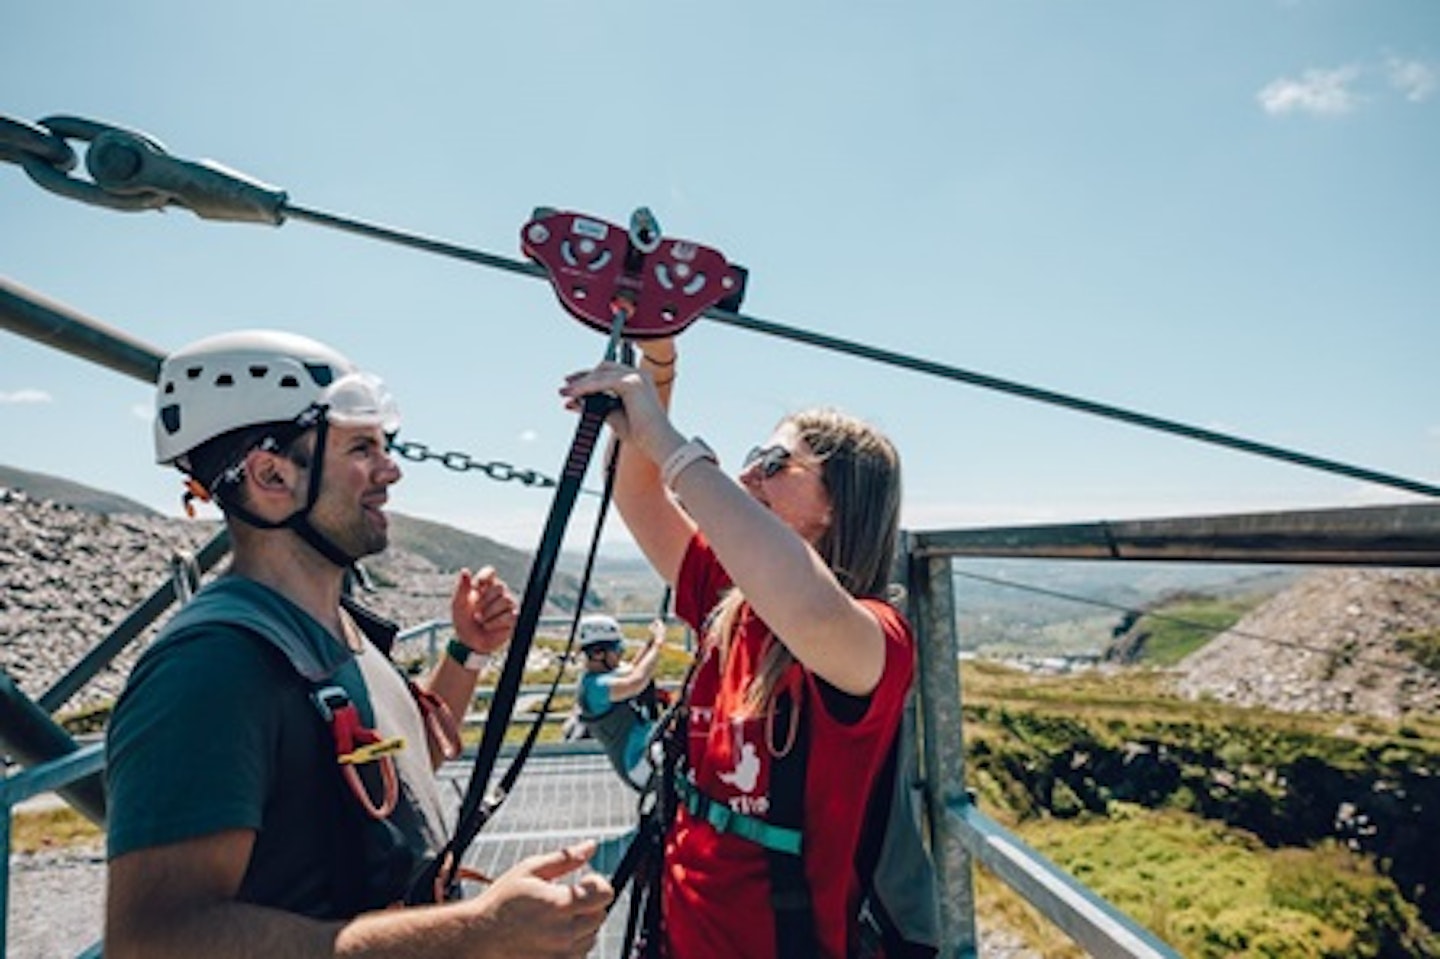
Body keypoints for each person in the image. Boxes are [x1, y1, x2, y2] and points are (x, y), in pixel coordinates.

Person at [105, 329, 611, 958]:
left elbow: (394, 767)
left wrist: (466, 654)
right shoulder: (212, 668)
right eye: (362, 448)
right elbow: (155, 942)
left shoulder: (332, 630)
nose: (390, 470)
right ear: (272, 475)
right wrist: (475, 933)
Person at [560, 338, 915, 959]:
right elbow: (638, 494)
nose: (750, 472)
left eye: (775, 462)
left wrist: (669, 443)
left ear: (838, 505)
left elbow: (806, 602)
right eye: (755, 455)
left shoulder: (873, 636)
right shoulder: (732, 595)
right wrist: (658, 363)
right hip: (680, 926)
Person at [575, 613, 667, 789]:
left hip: (648, 752)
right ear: (598, 654)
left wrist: (650, 643)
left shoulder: (603, 675)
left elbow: (633, 669)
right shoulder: (595, 687)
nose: (621, 654)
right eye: (617, 649)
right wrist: (658, 645)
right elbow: (636, 682)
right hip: (639, 763)